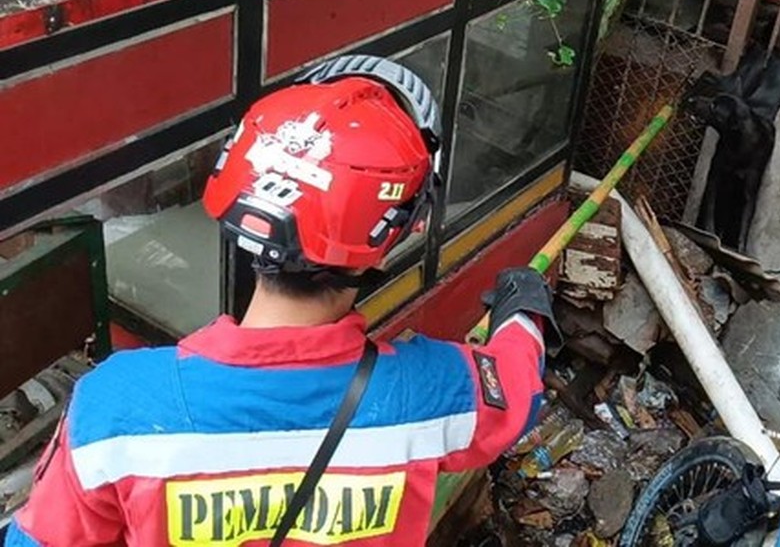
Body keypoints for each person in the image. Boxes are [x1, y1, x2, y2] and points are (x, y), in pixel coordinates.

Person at [5, 55, 561, 546]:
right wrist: (523, 311)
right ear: (394, 234)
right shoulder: (437, 393)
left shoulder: (115, 408)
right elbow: (518, 391)